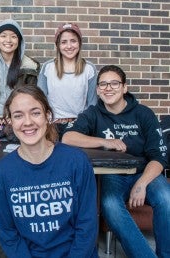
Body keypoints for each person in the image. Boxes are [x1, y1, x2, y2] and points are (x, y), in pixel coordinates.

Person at [62, 65, 170, 258]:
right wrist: (105, 141)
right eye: (103, 84)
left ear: (124, 88)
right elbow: (68, 138)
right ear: (97, 90)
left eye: (114, 83)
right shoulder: (93, 113)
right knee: (110, 204)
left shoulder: (144, 114)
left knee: (166, 199)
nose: (108, 88)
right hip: (111, 174)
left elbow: (159, 157)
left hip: (146, 172)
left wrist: (142, 183)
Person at [0, 85, 98, 257]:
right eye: (18, 115)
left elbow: (87, 224)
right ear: (9, 121)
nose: (27, 122)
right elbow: (8, 233)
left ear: (48, 116)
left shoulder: (76, 161)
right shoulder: (1, 173)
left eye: (35, 113)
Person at [0, 19, 40, 142]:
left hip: (17, 121)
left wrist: (15, 116)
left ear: (19, 40)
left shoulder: (30, 67)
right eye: (3, 36)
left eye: (13, 36)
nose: (8, 40)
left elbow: (31, 99)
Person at [37, 23, 98, 139]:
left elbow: (92, 104)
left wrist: (83, 124)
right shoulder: (47, 67)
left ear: (79, 43)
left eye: (73, 41)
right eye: (64, 42)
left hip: (79, 125)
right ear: (58, 46)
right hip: (52, 125)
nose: (69, 46)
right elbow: (40, 100)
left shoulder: (89, 69)